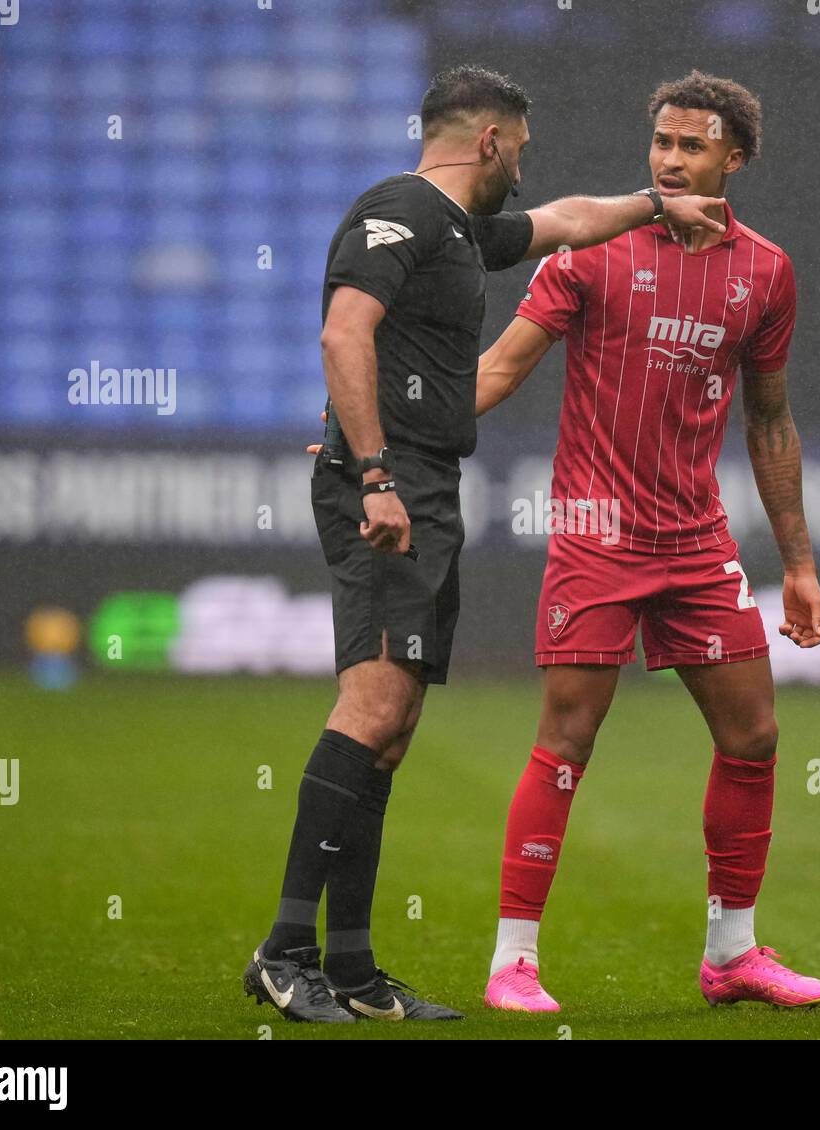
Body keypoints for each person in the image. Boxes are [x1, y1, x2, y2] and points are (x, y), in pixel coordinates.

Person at [246, 65, 729, 1024]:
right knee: (372, 707)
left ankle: (350, 966)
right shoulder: (401, 209)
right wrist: (372, 471)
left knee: (392, 733)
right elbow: (345, 335)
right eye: (522, 152)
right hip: (391, 487)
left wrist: (659, 202)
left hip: (424, 479)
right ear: (493, 143)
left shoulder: (464, 231)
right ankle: (284, 951)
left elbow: (569, 220)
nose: (524, 172)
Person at [473, 71, 820, 1013]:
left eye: (692, 146)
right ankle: (514, 961)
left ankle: (732, 955)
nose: (671, 160)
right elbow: (503, 368)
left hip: (697, 541)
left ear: (735, 157)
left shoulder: (766, 271)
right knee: (568, 738)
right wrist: (380, 428)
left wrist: (797, 564)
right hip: (596, 533)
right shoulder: (594, 249)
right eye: (662, 143)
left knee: (754, 734)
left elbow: (770, 422)